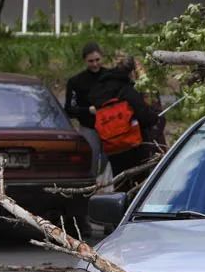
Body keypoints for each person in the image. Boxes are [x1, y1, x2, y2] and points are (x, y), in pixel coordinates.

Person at [87, 55, 160, 182]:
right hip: (133, 146)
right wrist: (154, 116)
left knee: (120, 182)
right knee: (139, 182)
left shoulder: (101, 89)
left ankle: (119, 201)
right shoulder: (127, 90)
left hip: (112, 147)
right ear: (131, 72)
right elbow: (145, 116)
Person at [64, 42, 108, 175]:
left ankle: (107, 185)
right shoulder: (76, 82)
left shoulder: (111, 77)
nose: (95, 64)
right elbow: (69, 109)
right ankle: (90, 185)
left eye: (97, 60)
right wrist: (88, 110)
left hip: (110, 125)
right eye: (91, 61)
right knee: (91, 157)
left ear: (102, 58)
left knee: (109, 159)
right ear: (84, 61)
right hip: (89, 126)